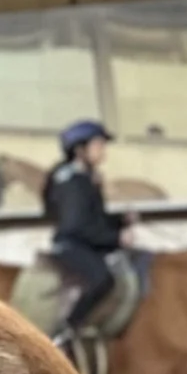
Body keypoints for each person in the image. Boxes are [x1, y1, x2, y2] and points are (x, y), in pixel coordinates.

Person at [42, 118, 133, 346]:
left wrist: (120, 220)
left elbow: (94, 219)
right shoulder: (72, 182)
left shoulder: (83, 178)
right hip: (72, 245)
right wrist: (116, 238)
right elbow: (77, 226)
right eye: (99, 145)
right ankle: (67, 330)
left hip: (84, 240)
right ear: (80, 149)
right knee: (102, 279)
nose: (104, 152)